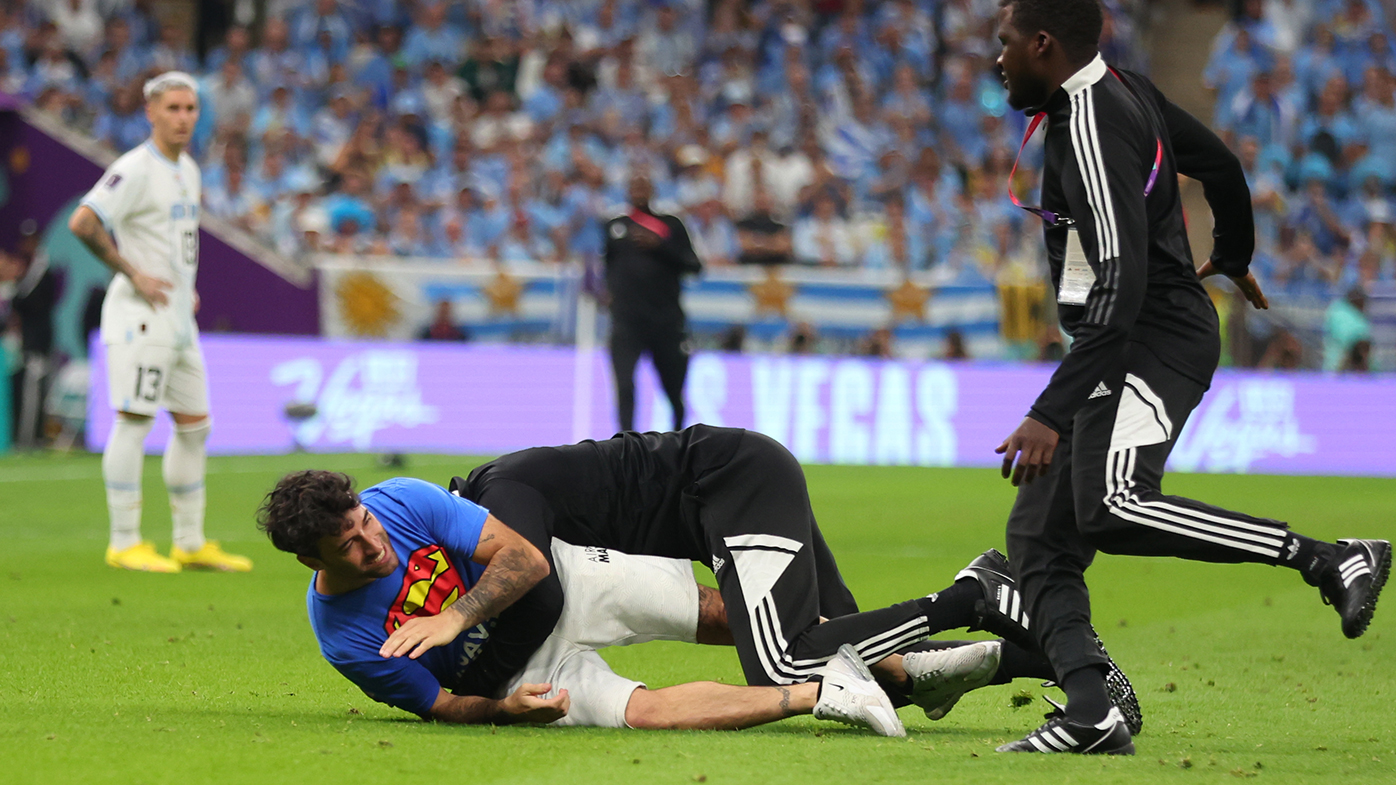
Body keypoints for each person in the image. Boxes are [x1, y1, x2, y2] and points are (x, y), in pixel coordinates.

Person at [991, 0, 1388, 755]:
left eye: (1004, 41)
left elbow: (1119, 281)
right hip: (1116, 343)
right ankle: (1089, 711)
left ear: (1043, 45)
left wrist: (1049, 410)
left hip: (1150, 340)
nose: (994, 56)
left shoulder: (1093, 125)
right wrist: (1233, 250)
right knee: (1038, 536)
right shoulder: (1126, 89)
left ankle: (1332, 558)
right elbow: (1219, 163)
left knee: (1111, 504)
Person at [423, 425, 1139, 731]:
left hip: (728, 487)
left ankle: (974, 594)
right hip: (731, 488)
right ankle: (1076, 666)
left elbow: (541, 587)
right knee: (866, 666)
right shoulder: (498, 486)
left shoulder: (498, 495)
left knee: (782, 661)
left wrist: (477, 683)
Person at [257, 470, 920, 734]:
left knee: (734, 616)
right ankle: (822, 692)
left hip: (560, 583)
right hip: (523, 674)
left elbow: (523, 558)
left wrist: (453, 615)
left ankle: (910, 666)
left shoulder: (398, 499)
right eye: (348, 543)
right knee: (647, 714)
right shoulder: (343, 638)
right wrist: (503, 708)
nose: (372, 541)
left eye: (365, 521)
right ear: (311, 559)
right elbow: (437, 704)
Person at [68, 72, 251, 574]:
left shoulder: (187, 169)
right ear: (150, 112)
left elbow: (173, 241)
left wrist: (181, 284)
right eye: (172, 108)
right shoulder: (134, 168)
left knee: (196, 426)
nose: (183, 118)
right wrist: (135, 274)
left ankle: (190, 543)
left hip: (177, 321)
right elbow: (83, 221)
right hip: (139, 319)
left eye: (190, 109)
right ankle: (124, 541)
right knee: (134, 421)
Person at [604, 174, 701, 433]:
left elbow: (694, 265)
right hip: (626, 321)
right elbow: (605, 265)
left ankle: (678, 440)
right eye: (634, 185)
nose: (638, 190)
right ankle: (625, 445)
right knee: (624, 385)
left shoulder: (670, 226)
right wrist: (607, 291)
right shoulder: (615, 226)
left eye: (643, 186)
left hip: (665, 321)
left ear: (652, 191)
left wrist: (660, 247)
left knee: (672, 390)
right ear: (627, 191)